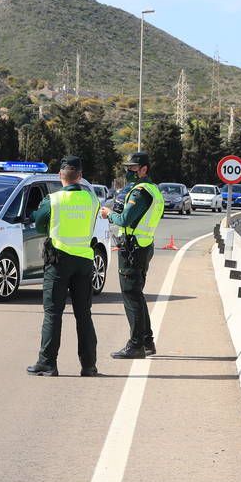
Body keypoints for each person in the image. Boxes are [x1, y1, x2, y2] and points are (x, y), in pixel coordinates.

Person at [27, 156, 100, 377]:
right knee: (83, 314)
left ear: (60, 176)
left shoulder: (53, 200)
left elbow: (39, 224)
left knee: (53, 313)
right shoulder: (93, 200)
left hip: (59, 261)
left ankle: (47, 363)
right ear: (80, 176)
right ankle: (89, 366)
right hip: (85, 261)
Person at [100, 151, 164, 360]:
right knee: (137, 294)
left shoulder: (141, 192)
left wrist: (109, 213)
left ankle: (136, 344)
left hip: (133, 249)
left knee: (131, 296)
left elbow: (125, 219)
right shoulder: (153, 189)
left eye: (133, 168)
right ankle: (146, 341)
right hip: (143, 246)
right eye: (127, 168)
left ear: (144, 168)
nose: (128, 171)